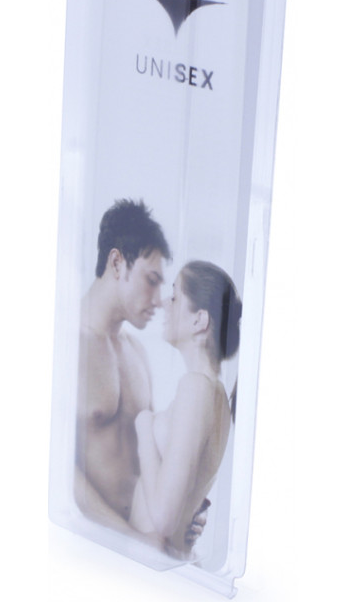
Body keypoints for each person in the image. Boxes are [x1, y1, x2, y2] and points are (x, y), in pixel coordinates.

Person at [75, 200, 208, 550]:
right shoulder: (64, 346)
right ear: (117, 262)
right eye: (151, 281)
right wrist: (132, 539)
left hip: (138, 549)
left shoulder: (136, 353)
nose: (160, 300)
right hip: (88, 548)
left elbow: (151, 460)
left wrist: (184, 511)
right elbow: (59, 472)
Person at [129, 260, 241, 558]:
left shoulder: (196, 388)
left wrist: (144, 428)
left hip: (149, 565)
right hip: (157, 562)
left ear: (199, 320)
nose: (165, 303)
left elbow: (163, 520)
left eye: (175, 296)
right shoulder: (214, 394)